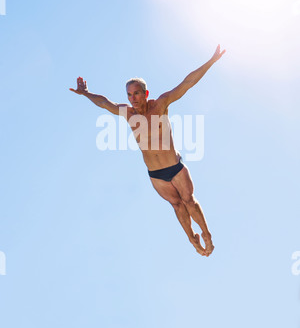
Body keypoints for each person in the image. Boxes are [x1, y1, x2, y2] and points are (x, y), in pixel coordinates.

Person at [70, 45, 226, 256]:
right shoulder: (128, 113)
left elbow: (187, 83)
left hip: (175, 167)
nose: (132, 98)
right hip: (156, 175)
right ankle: (193, 240)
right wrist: (86, 93)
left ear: (145, 94)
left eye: (136, 94)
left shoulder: (160, 105)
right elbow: (104, 103)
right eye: (129, 95)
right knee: (177, 206)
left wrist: (211, 61)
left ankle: (206, 235)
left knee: (189, 201)